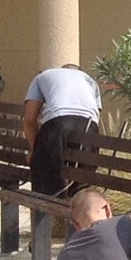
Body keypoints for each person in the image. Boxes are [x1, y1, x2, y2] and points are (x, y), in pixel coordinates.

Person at [24, 63, 103, 196]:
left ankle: (47, 208)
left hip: (57, 124)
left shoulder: (43, 76)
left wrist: (34, 150)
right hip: (89, 127)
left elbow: (30, 120)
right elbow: (96, 118)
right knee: (81, 189)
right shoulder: (90, 81)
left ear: (61, 70)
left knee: (47, 187)